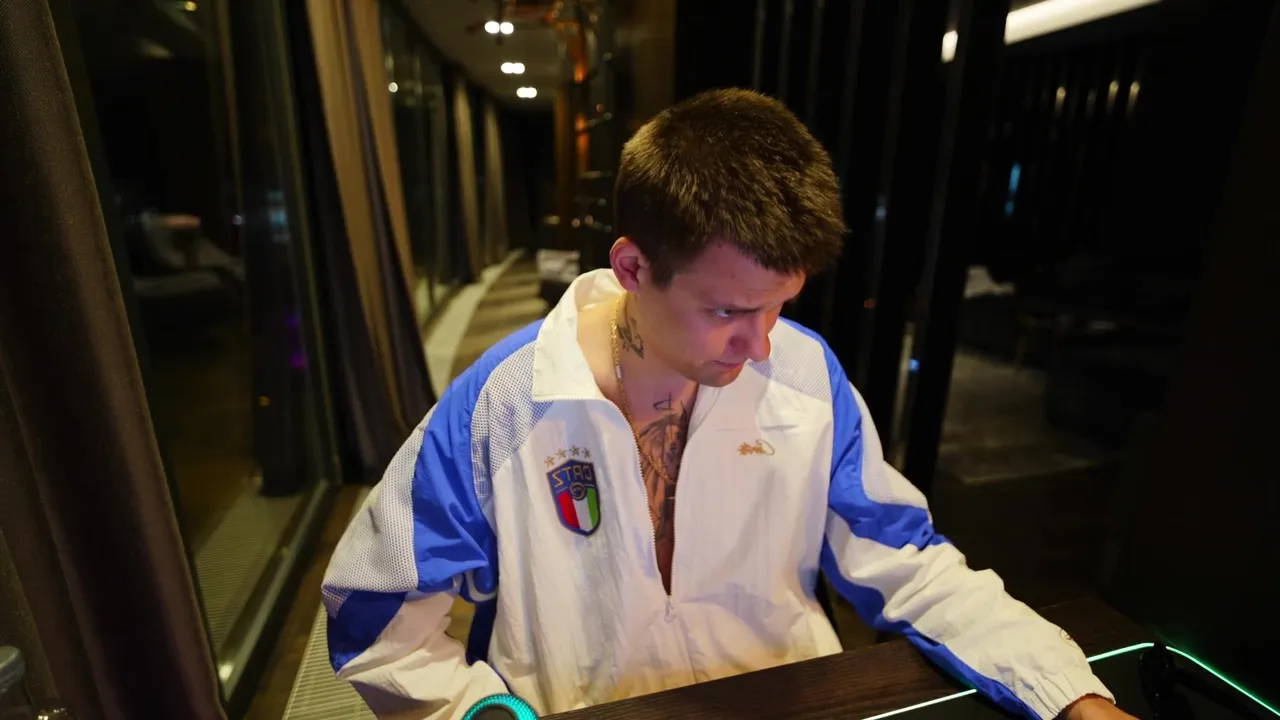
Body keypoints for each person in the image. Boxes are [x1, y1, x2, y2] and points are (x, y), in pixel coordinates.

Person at [322, 88, 1134, 720]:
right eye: (727, 311)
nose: (761, 344)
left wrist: (1068, 691)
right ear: (633, 268)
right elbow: (374, 620)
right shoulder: (505, 401)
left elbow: (906, 564)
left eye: (778, 306)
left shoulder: (807, 375)